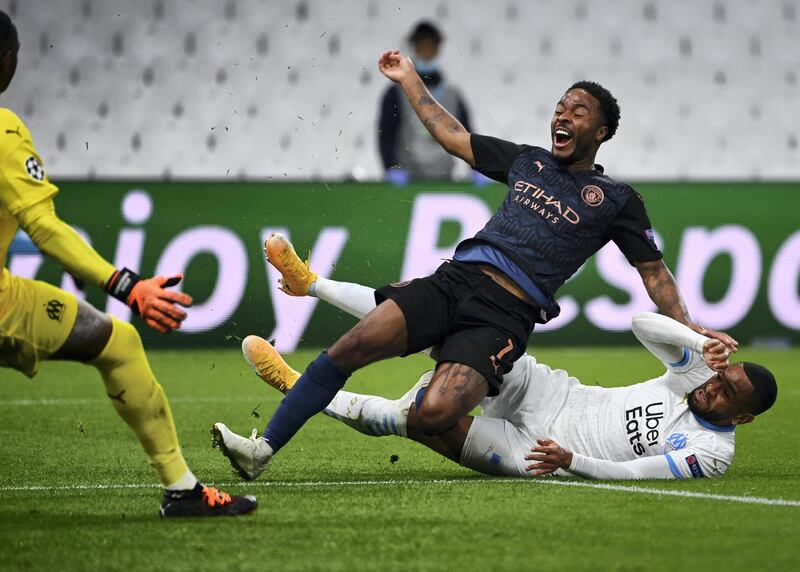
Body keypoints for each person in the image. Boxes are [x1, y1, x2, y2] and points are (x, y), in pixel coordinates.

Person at [212, 50, 738, 481]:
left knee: (434, 415)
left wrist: (689, 333)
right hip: (455, 280)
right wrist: (410, 80)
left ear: (600, 132)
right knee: (345, 350)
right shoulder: (527, 160)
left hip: (504, 316)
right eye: (560, 106)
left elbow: (654, 273)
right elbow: (451, 135)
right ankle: (262, 451)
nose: (563, 115)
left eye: (577, 111)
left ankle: (433, 367)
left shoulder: (616, 199)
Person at [0, 11, 255, 517]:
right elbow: (44, 226)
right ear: (5, 63)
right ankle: (181, 490)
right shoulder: (4, 131)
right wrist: (127, 286)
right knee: (117, 342)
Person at [231, 272, 777, 481]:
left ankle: (302, 386)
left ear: (743, 417)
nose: (712, 386)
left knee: (419, 420)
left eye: (726, 393)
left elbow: (636, 475)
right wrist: (697, 339)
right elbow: (641, 322)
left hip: (539, 453)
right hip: (548, 389)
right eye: (719, 377)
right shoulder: (694, 375)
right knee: (445, 320)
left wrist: (569, 461)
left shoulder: (711, 453)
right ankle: (313, 283)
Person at [378, 21, 473, 185]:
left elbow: (467, 134)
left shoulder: (453, 94)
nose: (427, 52)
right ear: (414, 47)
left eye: (431, 47)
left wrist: (476, 169)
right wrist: (391, 168)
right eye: (423, 46)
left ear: (438, 49)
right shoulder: (396, 92)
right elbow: (386, 134)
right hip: (407, 179)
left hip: (445, 178)